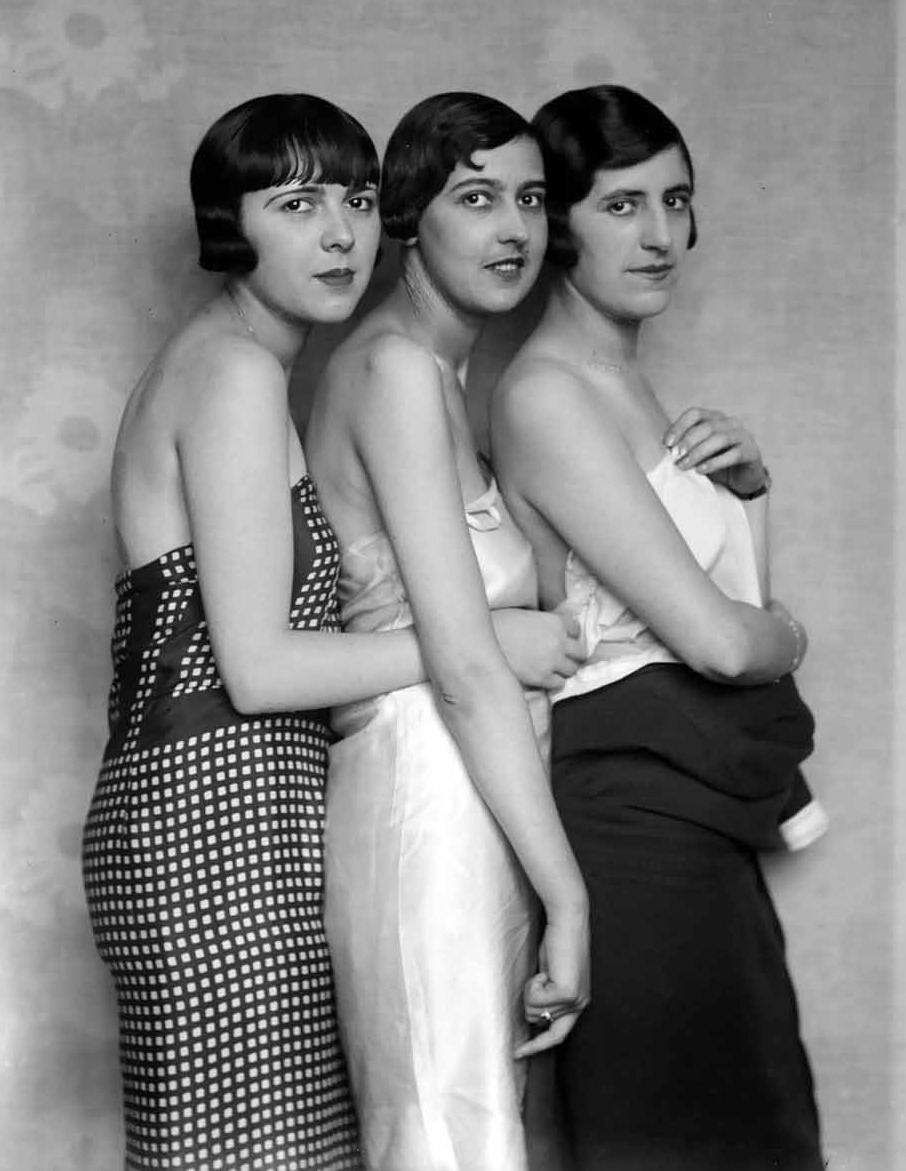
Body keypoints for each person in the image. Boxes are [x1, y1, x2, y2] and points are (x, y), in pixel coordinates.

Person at [80, 93, 578, 1171]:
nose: (341, 234)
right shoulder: (232, 373)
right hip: (210, 817)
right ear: (231, 222)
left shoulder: (237, 364)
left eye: (355, 200)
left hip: (236, 805)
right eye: (297, 205)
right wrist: (485, 642)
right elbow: (258, 670)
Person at [490, 85, 825, 1171]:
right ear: (557, 223)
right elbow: (727, 645)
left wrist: (751, 490)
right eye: (623, 205)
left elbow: (726, 620)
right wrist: (790, 636)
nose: (661, 234)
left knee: (756, 1127)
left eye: (675, 201)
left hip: (701, 804)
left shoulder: (631, 384)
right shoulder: (547, 395)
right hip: (633, 822)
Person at [305, 92, 590, 1171]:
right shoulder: (390, 371)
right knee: (446, 1126)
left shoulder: (444, 378)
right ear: (408, 220)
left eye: (531, 199)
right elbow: (467, 667)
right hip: (426, 792)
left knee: (482, 1127)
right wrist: (571, 898)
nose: (514, 228)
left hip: (482, 793)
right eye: (477, 199)